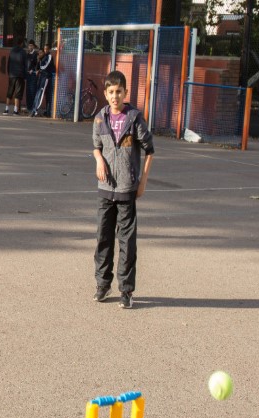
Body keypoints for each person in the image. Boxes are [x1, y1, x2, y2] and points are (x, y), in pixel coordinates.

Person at [92, 70, 154, 309]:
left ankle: (126, 290)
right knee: (103, 239)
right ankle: (102, 284)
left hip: (127, 188)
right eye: (110, 92)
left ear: (125, 93)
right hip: (105, 189)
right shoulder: (100, 118)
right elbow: (96, 146)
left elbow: (150, 150)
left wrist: (143, 181)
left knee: (127, 242)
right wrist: (98, 159)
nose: (115, 96)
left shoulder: (135, 118)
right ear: (105, 94)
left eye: (119, 91)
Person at [3, 36, 26, 115]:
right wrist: (25, 75)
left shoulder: (12, 51)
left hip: (12, 74)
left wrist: (9, 73)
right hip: (19, 75)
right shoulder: (23, 52)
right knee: (18, 93)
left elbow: (9, 62)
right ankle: (15, 110)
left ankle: (6, 109)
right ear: (22, 43)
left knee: (10, 92)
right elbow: (25, 64)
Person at [24, 40, 39, 115]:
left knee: (33, 90)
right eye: (29, 45)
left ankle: (33, 107)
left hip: (33, 75)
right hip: (28, 75)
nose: (30, 47)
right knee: (28, 91)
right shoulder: (27, 54)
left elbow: (37, 64)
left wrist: (32, 70)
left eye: (31, 45)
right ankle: (28, 106)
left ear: (33, 46)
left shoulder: (36, 54)